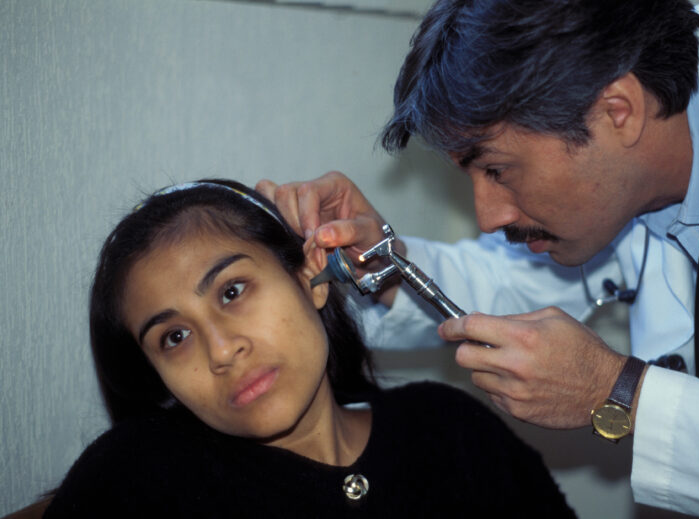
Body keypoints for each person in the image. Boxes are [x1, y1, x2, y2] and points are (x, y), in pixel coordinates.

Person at [259, 0, 699, 517]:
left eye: (497, 169)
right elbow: (513, 283)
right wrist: (385, 263)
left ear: (619, 111)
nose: (489, 215)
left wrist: (620, 394)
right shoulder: (629, 159)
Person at [43, 180, 575, 518]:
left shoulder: (452, 430)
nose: (222, 351)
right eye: (174, 338)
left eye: (232, 291)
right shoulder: (136, 481)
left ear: (310, 278)